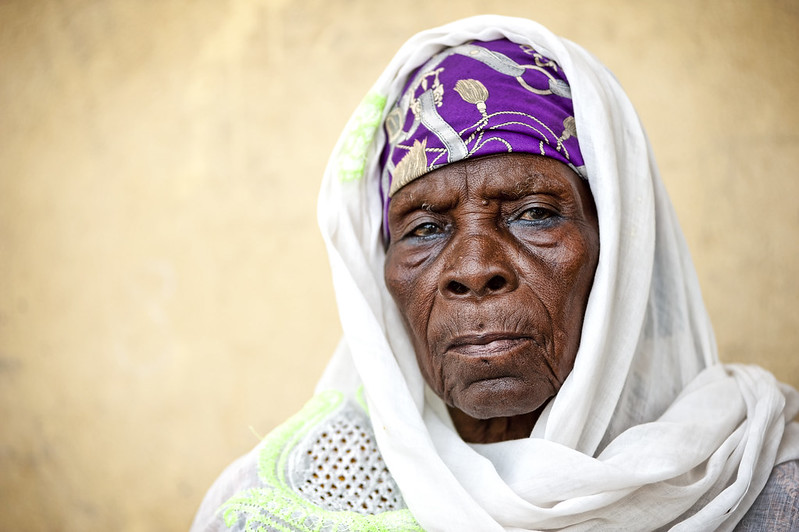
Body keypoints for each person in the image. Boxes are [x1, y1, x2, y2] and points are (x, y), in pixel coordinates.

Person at [191, 15, 799, 531]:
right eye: (425, 228)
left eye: (534, 214)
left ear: (620, 252)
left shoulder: (761, 486)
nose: (475, 270)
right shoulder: (280, 505)